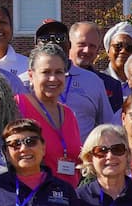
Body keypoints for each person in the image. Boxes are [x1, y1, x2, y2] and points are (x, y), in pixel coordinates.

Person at [17, 44, 85, 184]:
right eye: (46, 72)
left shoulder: (68, 114)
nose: (53, 79)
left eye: (59, 72)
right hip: (36, 198)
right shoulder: (19, 106)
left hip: (68, 198)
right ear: (31, 75)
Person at [61, 22, 120, 127]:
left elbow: (111, 126)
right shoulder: (51, 77)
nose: (87, 50)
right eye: (82, 44)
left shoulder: (109, 84)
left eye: (92, 46)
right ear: (69, 45)